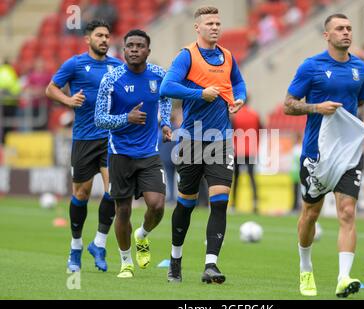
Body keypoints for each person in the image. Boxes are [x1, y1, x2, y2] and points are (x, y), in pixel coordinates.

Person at [284, 13, 364, 298]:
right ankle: (305, 268)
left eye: (349, 28)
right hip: (316, 153)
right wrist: (316, 108)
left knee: (347, 212)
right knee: (310, 213)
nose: (346, 32)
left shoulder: (359, 66)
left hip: (348, 152)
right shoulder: (311, 66)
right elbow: (288, 105)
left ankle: (343, 277)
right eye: (340, 29)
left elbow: (363, 100)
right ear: (327, 35)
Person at [160, 6, 247, 284]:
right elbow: (166, 87)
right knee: (185, 204)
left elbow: (239, 83)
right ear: (197, 27)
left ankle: (211, 265)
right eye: (209, 23)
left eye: (218, 23)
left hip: (221, 140)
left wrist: (239, 98)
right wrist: (200, 93)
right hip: (192, 139)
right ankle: (175, 259)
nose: (215, 27)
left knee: (219, 202)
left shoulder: (228, 56)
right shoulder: (187, 56)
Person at [45, 20, 123, 273]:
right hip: (83, 138)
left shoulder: (117, 66)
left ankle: (99, 243)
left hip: (110, 138)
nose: (104, 39)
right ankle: (76, 246)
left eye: (107, 35)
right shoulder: (75, 64)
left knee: (115, 191)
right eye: (99, 35)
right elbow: (50, 88)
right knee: (81, 194)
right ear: (88, 40)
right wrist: (68, 100)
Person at [95, 29, 172, 278]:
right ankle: (126, 261)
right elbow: (99, 119)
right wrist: (125, 118)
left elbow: (167, 98)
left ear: (148, 51)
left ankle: (142, 235)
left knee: (157, 205)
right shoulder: (111, 79)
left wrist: (165, 122)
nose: (135, 49)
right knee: (123, 211)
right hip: (120, 153)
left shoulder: (159, 76)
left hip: (149, 153)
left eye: (140, 45)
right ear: (124, 50)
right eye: (130, 46)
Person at [231, 99, 261, 213]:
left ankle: (234, 204)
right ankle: (255, 203)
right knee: (252, 177)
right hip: (251, 150)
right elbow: (260, 129)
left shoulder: (236, 116)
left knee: (236, 178)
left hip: (238, 150)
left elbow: (231, 130)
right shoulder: (255, 115)